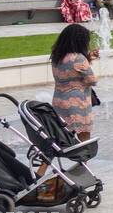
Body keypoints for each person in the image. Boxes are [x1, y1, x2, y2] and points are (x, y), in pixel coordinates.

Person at [35, 23, 100, 201]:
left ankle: (41, 170)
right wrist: (87, 61)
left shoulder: (57, 56)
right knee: (83, 139)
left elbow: (70, 71)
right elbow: (92, 80)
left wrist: (88, 58)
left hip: (59, 103)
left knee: (56, 138)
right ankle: (82, 169)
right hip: (78, 105)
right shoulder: (79, 58)